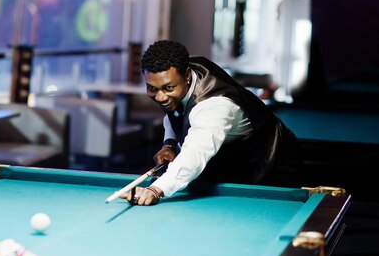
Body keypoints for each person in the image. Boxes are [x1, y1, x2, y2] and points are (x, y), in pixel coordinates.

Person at [121, 40, 301, 206]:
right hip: (231, 158)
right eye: (152, 88)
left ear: (186, 76)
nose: (160, 97)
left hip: (273, 162)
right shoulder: (179, 74)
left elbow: (195, 153)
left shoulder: (214, 106)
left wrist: (156, 189)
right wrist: (170, 143)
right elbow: (174, 113)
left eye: (168, 88)